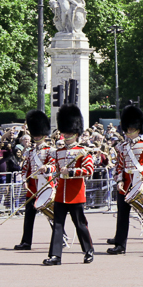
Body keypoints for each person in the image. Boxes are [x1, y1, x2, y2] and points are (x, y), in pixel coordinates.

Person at [107, 105, 143, 255]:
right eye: (127, 129)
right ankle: (120, 245)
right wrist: (119, 181)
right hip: (125, 185)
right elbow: (119, 167)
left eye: (131, 129)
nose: (128, 132)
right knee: (122, 216)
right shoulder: (122, 147)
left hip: (141, 182)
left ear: (138, 129)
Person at [43, 105, 95, 266]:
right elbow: (56, 168)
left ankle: (88, 251)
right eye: (64, 133)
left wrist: (71, 172)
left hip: (75, 194)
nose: (66, 136)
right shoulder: (58, 152)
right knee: (57, 225)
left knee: (80, 224)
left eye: (69, 133)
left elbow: (88, 170)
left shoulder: (83, 151)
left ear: (76, 134)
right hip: (60, 194)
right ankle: (55, 256)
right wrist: (46, 169)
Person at [15, 111, 55, 250]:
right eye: (35, 134)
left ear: (44, 135)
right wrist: (24, 180)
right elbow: (26, 167)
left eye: (38, 135)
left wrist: (47, 168)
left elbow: (53, 165)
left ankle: (60, 237)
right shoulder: (30, 151)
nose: (36, 137)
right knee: (29, 215)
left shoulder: (50, 150)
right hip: (32, 186)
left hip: (45, 185)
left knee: (51, 215)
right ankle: (26, 242)